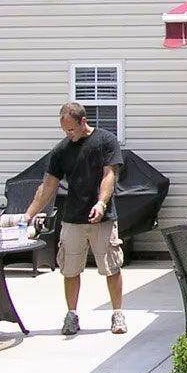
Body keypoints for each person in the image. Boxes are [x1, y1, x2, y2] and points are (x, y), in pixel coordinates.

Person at [21, 102, 127, 336]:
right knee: (69, 269)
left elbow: (109, 175)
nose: (68, 134)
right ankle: (72, 315)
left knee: (112, 267)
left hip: (103, 218)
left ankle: (117, 314)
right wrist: (29, 214)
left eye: (71, 129)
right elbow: (48, 186)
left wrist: (101, 203)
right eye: (65, 130)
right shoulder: (61, 150)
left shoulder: (105, 141)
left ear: (83, 122)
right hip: (72, 219)